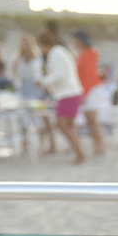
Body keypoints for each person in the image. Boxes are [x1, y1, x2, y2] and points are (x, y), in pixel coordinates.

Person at [37, 29, 86, 163]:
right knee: (69, 126)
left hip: (67, 94)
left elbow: (60, 74)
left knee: (62, 124)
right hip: (71, 92)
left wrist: (43, 81)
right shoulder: (60, 51)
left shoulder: (56, 53)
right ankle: (78, 152)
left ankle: (80, 152)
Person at [72, 29, 107, 158]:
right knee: (90, 120)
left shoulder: (89, 53)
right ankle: (98, 145)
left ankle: (100, 146)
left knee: (92, 120)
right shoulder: (84, 53)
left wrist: (83, 94)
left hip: (91, 89)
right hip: (89, 88)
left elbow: (88, 76)